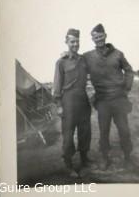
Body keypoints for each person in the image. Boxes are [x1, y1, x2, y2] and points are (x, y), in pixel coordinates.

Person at [83, 24, 134, 170]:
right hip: (102, 100)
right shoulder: (88, 57)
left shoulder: (118, 54)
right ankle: (104, 157)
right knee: (103, 131)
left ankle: (128, 158)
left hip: (119, 99)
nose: (98, 39)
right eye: (95, 37)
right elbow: (75, 61)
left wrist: (126, 88)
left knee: (124, 129)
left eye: (100, 36)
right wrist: (65, 54)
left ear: (105, 35)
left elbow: (129, 71)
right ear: (92, 39)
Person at [53, 29, 91, 175]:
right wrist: (58, 104)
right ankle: (68, 164)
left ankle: (84, 159)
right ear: (66, 42)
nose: (75, 44)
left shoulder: (84, 59)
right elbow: (57, 84)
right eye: (72, 41)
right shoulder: (61, 62)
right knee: (68, 134)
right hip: (68, 102)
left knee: (85, 132)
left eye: (77, 41)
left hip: (83, 100)